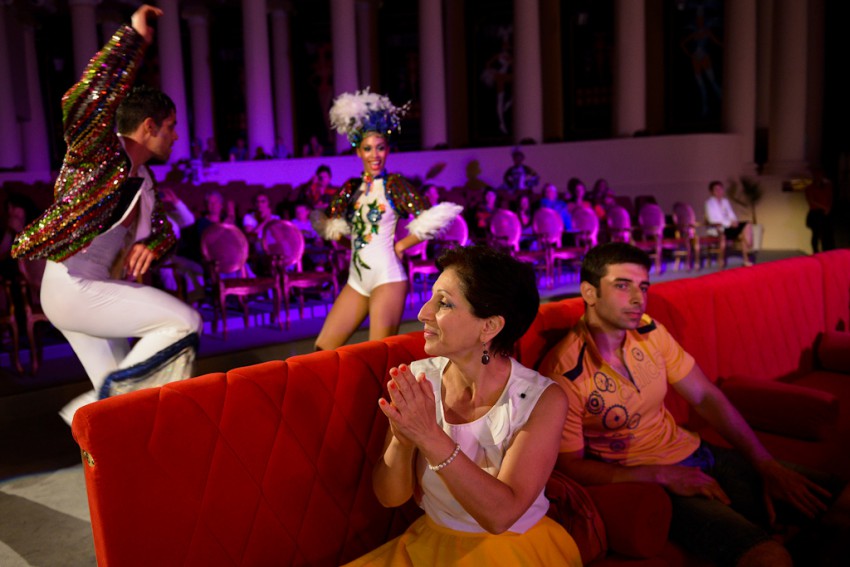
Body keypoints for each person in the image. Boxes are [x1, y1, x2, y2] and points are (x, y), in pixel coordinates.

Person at [539, 242, 848, 567]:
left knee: (842, 502)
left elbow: (705, 397)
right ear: (589, 292)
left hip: (698, 451)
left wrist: (765, 463)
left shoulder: (649, 331)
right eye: (622, 285)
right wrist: (660, 475)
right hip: (648, 479)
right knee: (772, 557)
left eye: (643, 287)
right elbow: (570, 466)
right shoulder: (565, 372)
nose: (638, 298)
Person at [10, 4, 202, 425]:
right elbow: (84, 98)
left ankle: (104, 426)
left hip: (91, 291)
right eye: (171, 126)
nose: (176, 135)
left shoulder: (145, 180)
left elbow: (163, 231)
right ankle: (87, 410)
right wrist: (131, 39)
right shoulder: (97, 152)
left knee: (123, 415)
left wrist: (153, 245)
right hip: (71, 287)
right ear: (148, 126)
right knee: (184, 322)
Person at [345, 245, 581, 566]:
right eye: (431, 298)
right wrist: (402, 440)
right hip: (432, 542)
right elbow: (390, 497)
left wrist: (429, 436)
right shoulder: (419, 378)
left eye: (443, 303)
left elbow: (501, 516)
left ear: (489, 327)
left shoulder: (542, 399)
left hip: (512, 549)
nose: (423, 313)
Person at [311, 89, 462, 350]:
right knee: (321, 350)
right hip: (356, 281)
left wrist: (401, 246)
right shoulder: (350, 188)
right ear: (359, 152)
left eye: (380, 148)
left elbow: (429, 218)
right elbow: (330, 224)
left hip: (388, 278)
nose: (375, 155)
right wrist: (351, 245)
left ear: (387, 150)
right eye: (368, 149)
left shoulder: (394, 185)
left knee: (379, 354)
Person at [704, 180, 752, 267]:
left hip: (730, 227)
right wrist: (729, 223)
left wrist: (734, 221)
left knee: (747, 224)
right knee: (733, 236)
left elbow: (731, 214)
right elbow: (712, 220)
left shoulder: (725, 201)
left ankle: (746, 258)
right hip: (718, 228)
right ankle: (748, 243)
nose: (719, 191)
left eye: (720, 189)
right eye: (716, 189)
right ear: (712, 192)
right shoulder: (709, 203)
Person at [805, 166, 834, 253]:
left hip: (826, 213)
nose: (818, 176)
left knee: (827, 234)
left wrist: (828, 208)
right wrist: (824, 207)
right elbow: (811, 201)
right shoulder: (810, 188)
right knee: (816, 234)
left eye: (820, 174)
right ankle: (816, 252)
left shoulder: (827, 186)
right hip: (815, 213)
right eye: (816, 174)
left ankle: (827, 252)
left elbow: (830, 198)